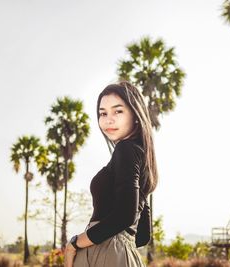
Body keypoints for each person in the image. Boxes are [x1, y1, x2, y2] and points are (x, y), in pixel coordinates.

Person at [64, 81, 159, 267]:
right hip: (125, 255)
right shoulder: (141, 155)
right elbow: (142, 236)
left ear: (136, 114)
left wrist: (74, 244)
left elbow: (125, 216)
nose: (108, 119)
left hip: (103, 252)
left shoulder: (126, 149)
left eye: (118, 111)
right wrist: (121, 249)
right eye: (103, 113)